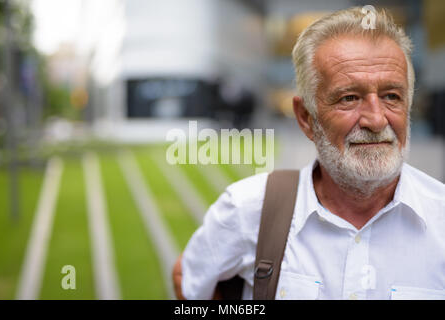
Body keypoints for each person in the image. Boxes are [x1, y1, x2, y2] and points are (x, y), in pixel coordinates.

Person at [172, 7, 445, 300]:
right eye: (349, 98)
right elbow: (186, 278)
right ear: (306, 118)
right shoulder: (248, 209)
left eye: (392, 96)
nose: (376, 120)